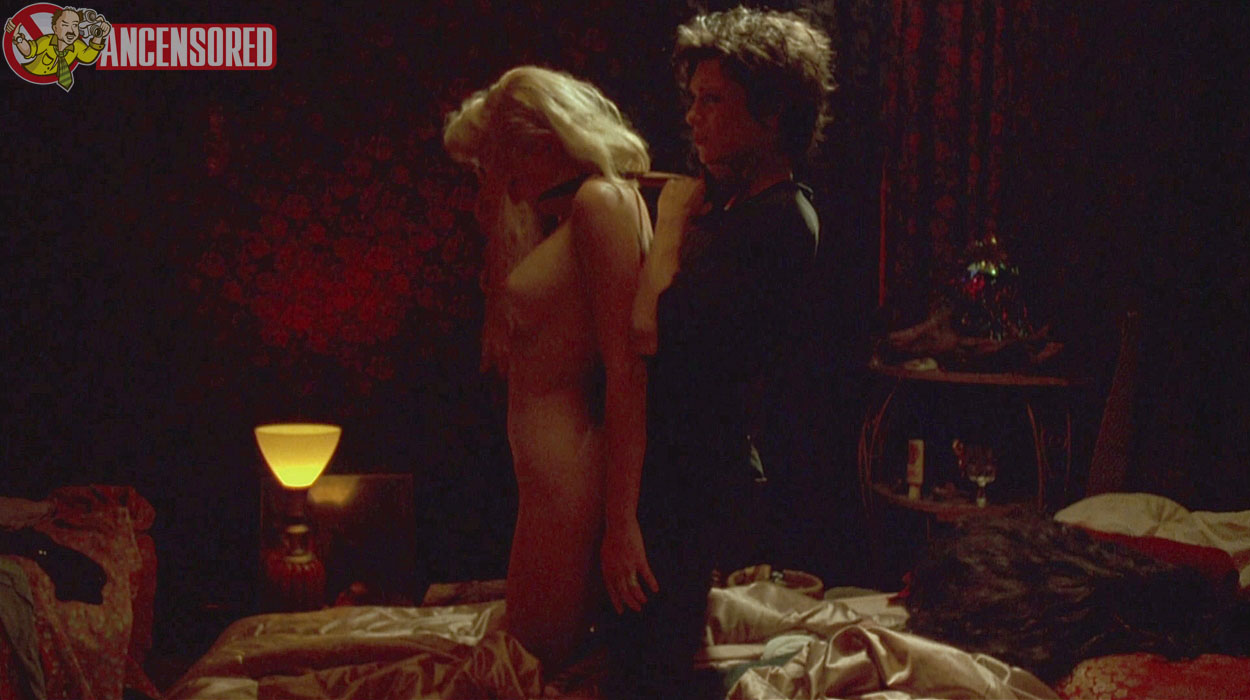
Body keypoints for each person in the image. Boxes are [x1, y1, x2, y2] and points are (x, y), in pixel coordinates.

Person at [600, 7, 835, 698]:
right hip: (676, 473)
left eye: (713, 100)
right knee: (636, 655)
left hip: (692, 480)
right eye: (693, 99)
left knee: (650, 670)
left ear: (772, 114)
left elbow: (649, 331)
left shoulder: (781, 219)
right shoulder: (739, 209)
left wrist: (671, 220)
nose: (693, 117)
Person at [442, 66, 652, 671]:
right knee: (535, 654)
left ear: (543, 140)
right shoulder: (576, 211)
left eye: (504, 166)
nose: (507, 190)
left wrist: (621, 524)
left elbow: (627, 370)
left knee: (536, 663)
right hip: (550, 477)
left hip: (570, 477)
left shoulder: (601, 203)